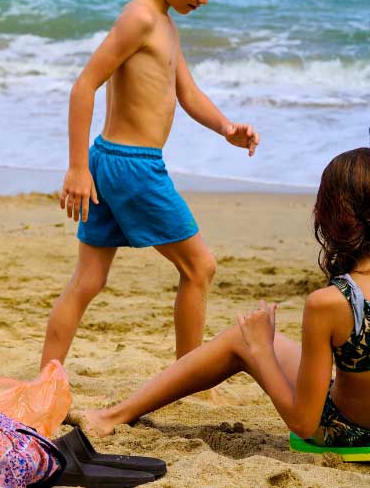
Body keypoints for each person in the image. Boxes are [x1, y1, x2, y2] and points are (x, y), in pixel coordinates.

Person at [40, 0, 259, 369]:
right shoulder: (140, 19)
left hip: (111, 161)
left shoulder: (164, 24)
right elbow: (84, 86)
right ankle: (187, 379)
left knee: (88, 280)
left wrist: (226, 127)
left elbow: (188, 94)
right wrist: (76, 168)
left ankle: (46, 377)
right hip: (132, 166)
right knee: (199, 267)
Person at [80, 148, 370, 448]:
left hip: (348, 429)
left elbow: (303, 422)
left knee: (243, 338)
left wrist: (261, 350)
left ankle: (111, 416)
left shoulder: (329, 302)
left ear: (332, 214)